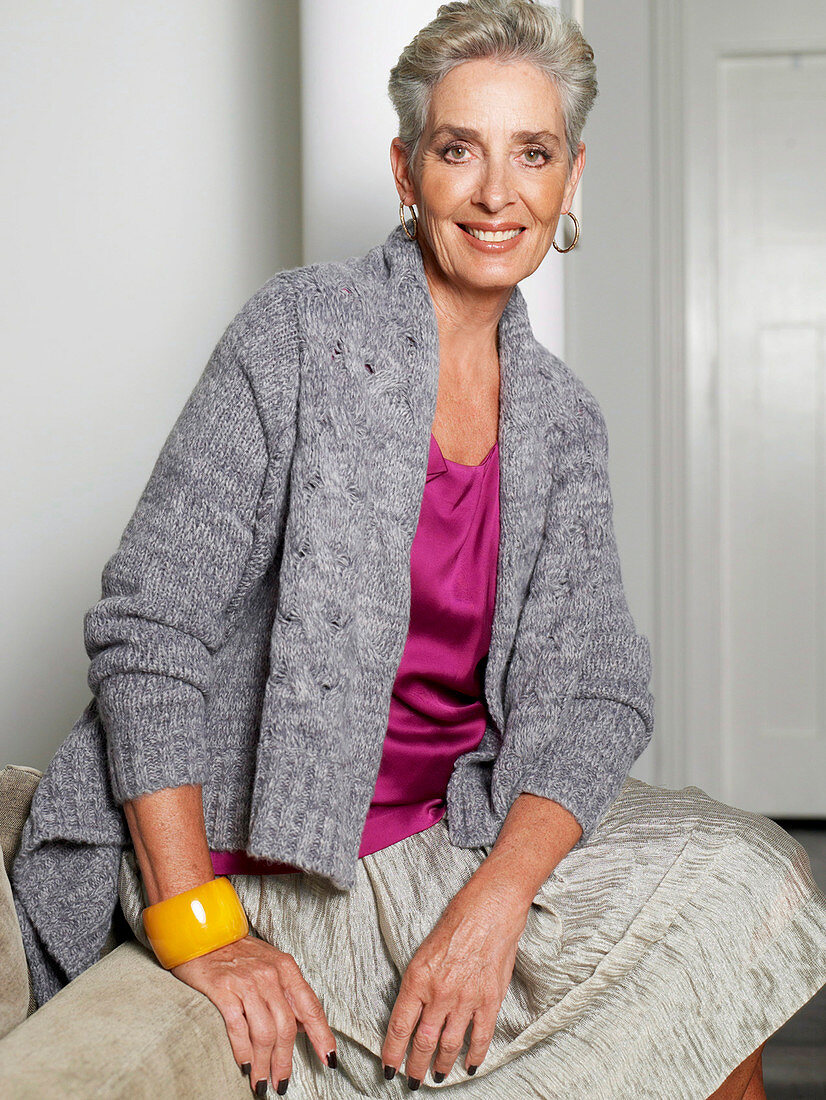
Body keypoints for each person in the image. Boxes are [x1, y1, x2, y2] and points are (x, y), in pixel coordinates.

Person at [5, 2, 826, 1097]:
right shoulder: (296, 336)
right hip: (274, 865)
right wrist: (194, 919)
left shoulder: (562, 416)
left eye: (531, 153)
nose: (498, 193)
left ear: (569, 177)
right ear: (405, 169)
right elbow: (151, 632)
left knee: (744, 883)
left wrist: (491, 904)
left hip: (452, 834)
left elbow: (596, 694)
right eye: (457, 150)